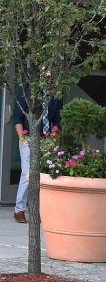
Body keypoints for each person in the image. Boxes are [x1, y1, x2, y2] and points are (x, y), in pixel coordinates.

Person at [11, 88, 63, 224]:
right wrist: (22, 138)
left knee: (43, 174)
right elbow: (17, 117)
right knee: (28, 173)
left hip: (47, 140)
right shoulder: (26, 94)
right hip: (28, 138)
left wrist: (54, 137)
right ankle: (19, 210)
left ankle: (38, 210)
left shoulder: (55, 96)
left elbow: (57, 119)